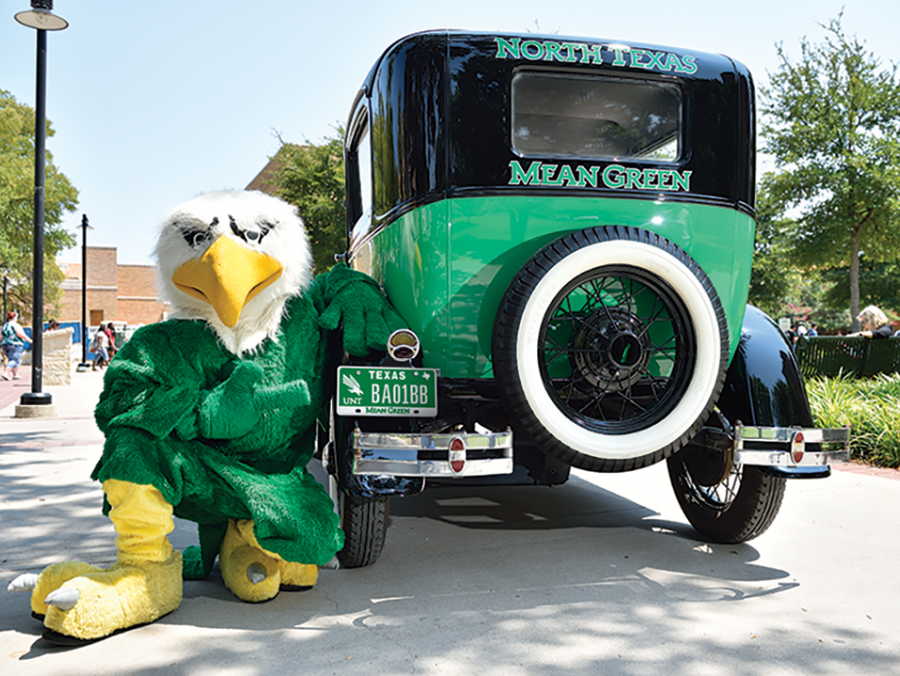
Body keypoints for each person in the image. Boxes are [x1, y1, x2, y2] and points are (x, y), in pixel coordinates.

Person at [2, 310, 33, 381]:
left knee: (14, 359)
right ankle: (6, 372)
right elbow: (21, 334)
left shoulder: (5, 325)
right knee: (14, 360)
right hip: (15, 344)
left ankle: (15, 374)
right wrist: (30, 341)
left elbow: (1, 335)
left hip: (4, 344)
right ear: (15, 317)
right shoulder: (16, 325)